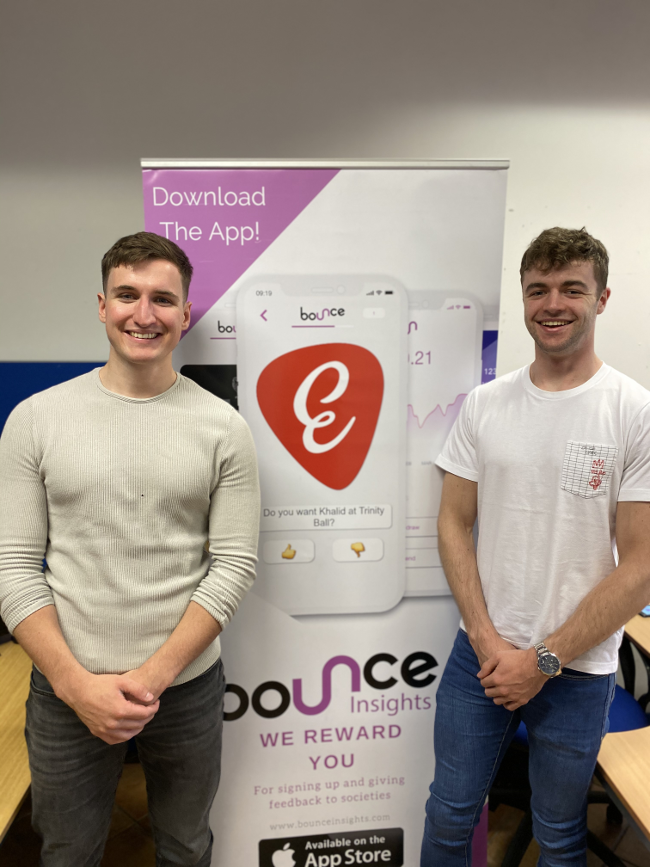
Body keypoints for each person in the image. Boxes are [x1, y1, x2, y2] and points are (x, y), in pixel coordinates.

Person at [0, 232, 260, 867]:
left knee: (186, 846)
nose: (144, 314)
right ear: (101, 304)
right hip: (66, 689)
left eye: (163, 299)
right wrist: (74, 683)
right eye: (127, 295)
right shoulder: (35, 420)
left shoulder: (224, 428)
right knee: (66, 853)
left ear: (186, 314)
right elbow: (12, 567)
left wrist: (151, 679)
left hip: (186, 688)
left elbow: (233, 566)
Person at [420, 227, 650, 865]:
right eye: (538, 290)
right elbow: (451, 522)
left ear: (601, 298)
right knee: (448, 816)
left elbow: (643, 566)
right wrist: (490, 641)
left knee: (558, 834)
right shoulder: (486, 405)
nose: (554, 303)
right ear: (523, 299)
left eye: (572, 288)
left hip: (577, 672)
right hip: (481, 658)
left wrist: (543, 661)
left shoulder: (635, 412)